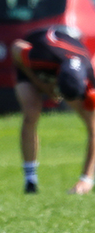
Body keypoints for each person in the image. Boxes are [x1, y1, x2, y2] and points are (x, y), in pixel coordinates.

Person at [11, 25, 95, 195]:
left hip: (63, 70)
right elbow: (15, 48)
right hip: (32, 67)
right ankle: (30, 180)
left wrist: (86, 179)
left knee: (91, 122)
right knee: (31, 112)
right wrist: (42, 85)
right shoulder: (40, 57)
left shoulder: (89, 77)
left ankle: (86, 179)